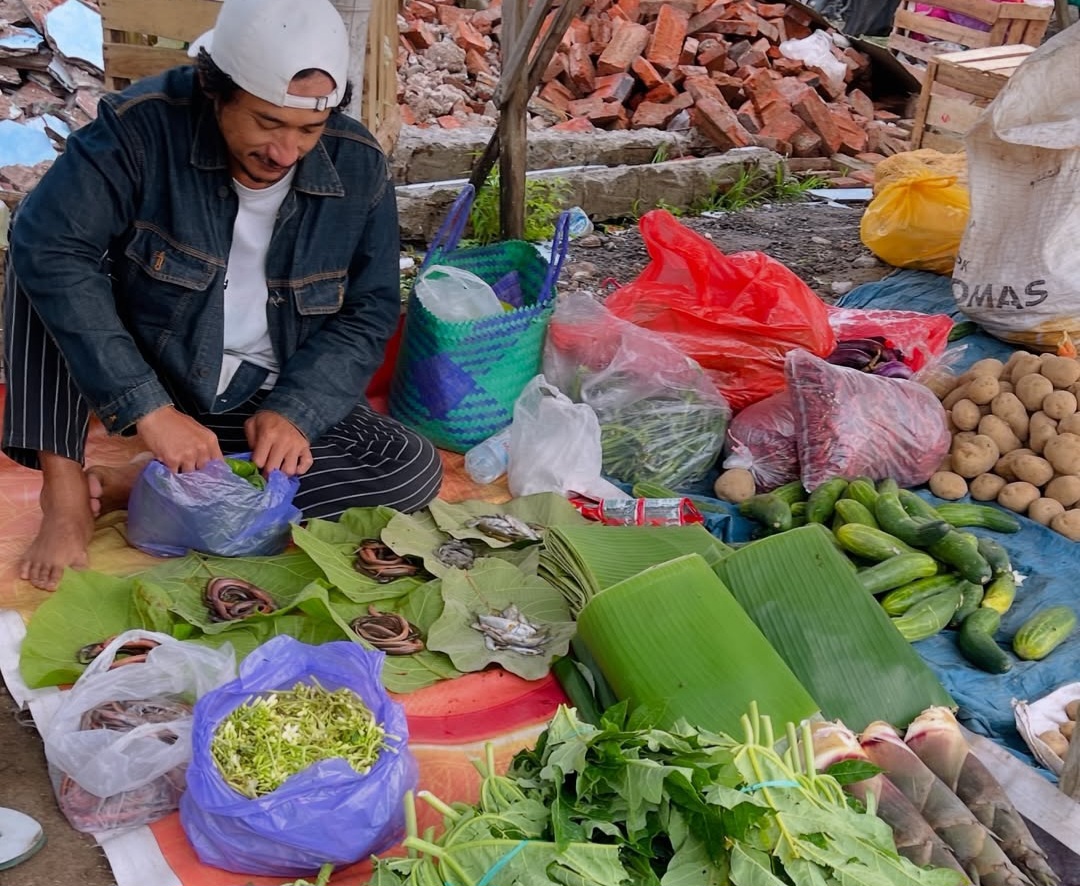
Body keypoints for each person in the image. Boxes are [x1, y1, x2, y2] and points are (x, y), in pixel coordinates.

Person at [2, 0, 443, 591]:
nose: (286, 152)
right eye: (267, 123)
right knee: (47, 246)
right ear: (215, 89)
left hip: (259, 396)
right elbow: (49, 247)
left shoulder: (357, 163)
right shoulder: (138, 130)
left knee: (407, 469)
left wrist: (297, 409)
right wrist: (149, 409)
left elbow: (370, 310)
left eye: (309, 130)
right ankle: (65, 492)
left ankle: (151, 486)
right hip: (157, 373)